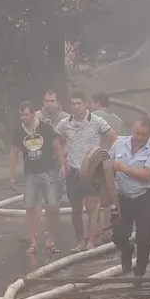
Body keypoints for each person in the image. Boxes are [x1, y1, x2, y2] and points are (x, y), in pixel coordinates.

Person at [56, 94, 118, 252]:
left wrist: (107, 158)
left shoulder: (96, 121)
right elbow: (56, 140)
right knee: (76, 209)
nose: (76, 106)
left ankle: (91, 241)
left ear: (86, 105)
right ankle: (80, 241)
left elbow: (114, 137)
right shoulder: (65, 123)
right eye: (73, 104)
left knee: (92, 206)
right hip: (73, 170)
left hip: (92, 170)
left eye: (79, 103)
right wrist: (63, 162)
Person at [8, 101, 64, 255]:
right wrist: (11, 175)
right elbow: (13, 153)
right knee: (31, 207)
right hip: (30, 174)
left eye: (26, 114)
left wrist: (63, 165)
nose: (23, 117)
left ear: (33, 113)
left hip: (49, 171)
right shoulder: (19, 132)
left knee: (53, 206)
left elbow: (57, 146)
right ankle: (33, 242)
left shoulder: (45, 128)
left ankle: (51, 240)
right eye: (21, 115)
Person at [110, 118, 150, 277]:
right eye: (136, 133)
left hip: (144, 197)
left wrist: (124, 169)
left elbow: (147, 174)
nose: (139, 137)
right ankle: (127, 248)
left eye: (143, 135)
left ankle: (139, 273)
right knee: (118, 235)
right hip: (123, 196)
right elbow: (106, 164)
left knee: (145, 237)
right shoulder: (119, 144)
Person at [88, 91, 124, 238]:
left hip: (96, 161)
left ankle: (101, 229)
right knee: (113, 196)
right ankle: (113, 227)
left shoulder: (93, 118)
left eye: (91, 103)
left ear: (97, 103)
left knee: (97, 198)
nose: (89, 106)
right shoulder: (118, 120)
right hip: (114, 161)